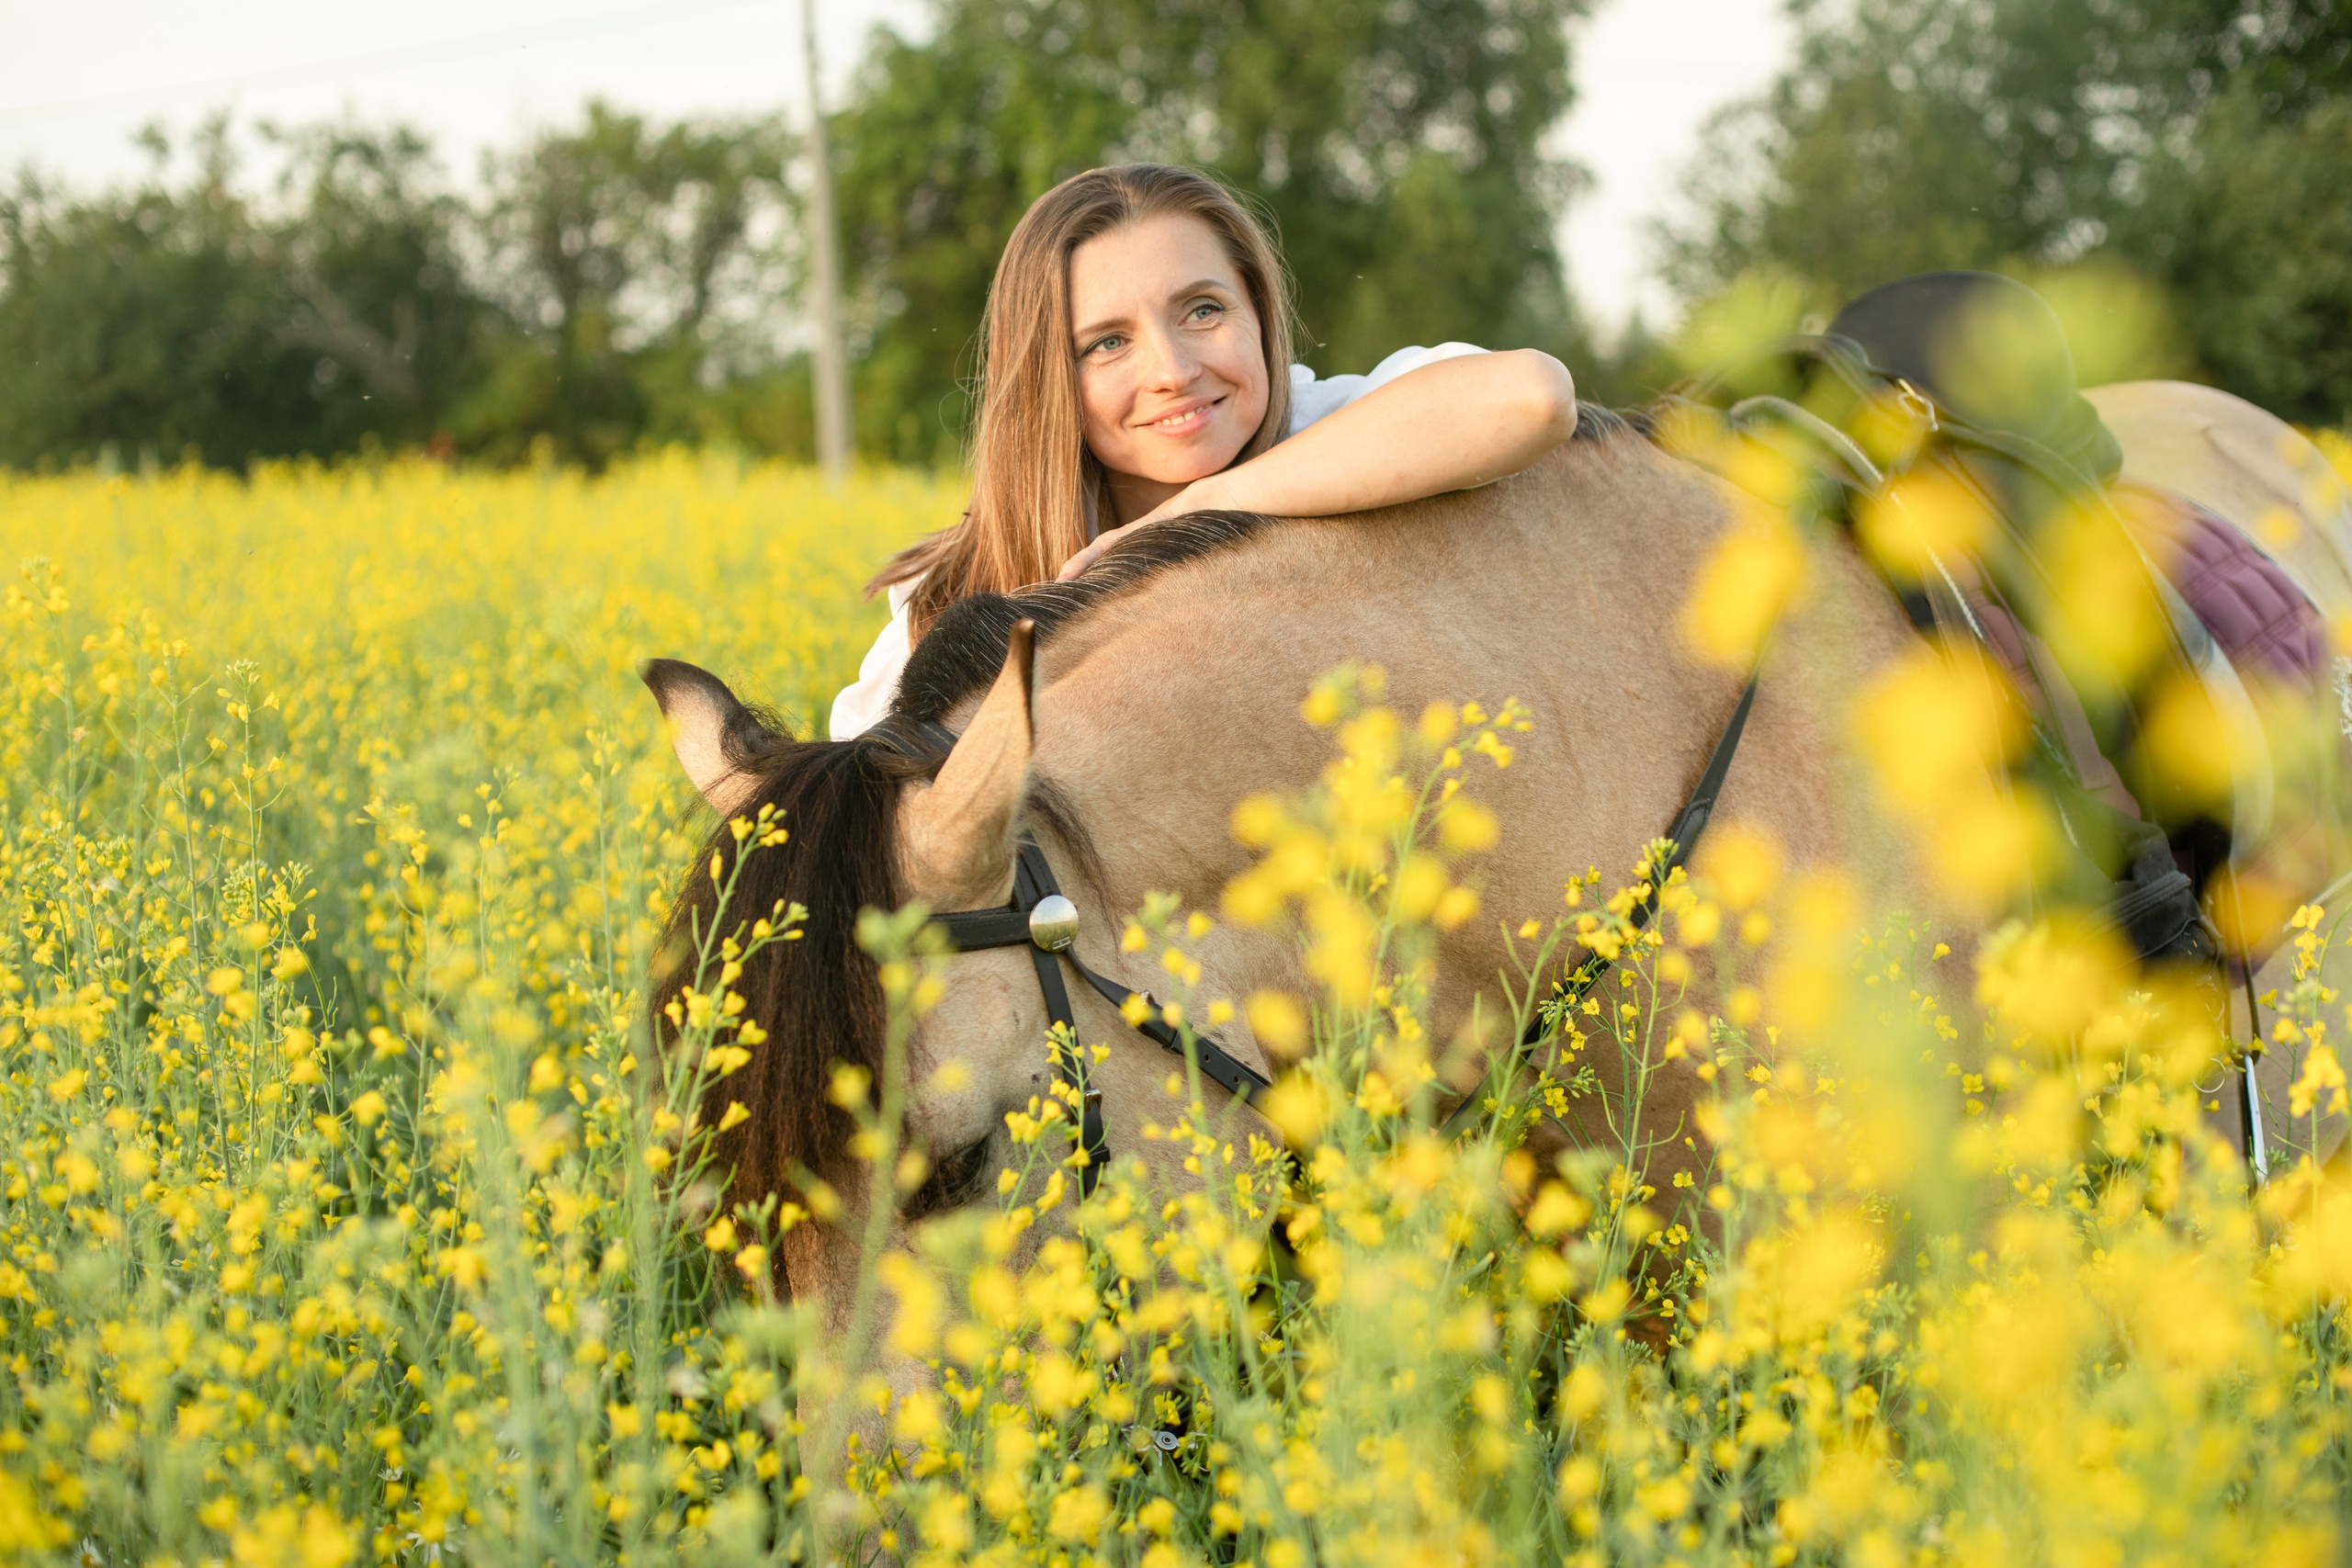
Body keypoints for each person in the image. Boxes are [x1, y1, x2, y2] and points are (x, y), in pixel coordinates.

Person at [828, 163, 1579, 739]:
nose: (1174, 370)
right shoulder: (960, 593)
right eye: (1108, 342)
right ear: (1047, 381)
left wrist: (1197, 511)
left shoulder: (1335, 429)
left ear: (1258, 311)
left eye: (1203, 309)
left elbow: (1533, 398)